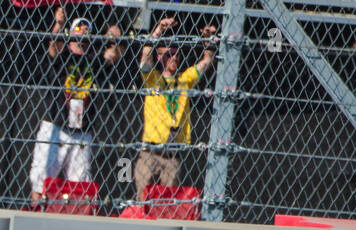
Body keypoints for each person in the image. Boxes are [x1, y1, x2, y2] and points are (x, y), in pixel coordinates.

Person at [26, 4, 127, 204]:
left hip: (82, 129)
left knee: (80, 185)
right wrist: (59, 23)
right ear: (70, 34)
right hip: (56, 124)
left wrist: (116, 37)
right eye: (78, 30)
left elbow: (114, 55)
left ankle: (75, 218)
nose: (82, 34)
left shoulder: (94, 59)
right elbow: (53, 46)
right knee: (41, 180)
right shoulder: (62, 56)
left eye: (86, 31)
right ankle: (36, 213)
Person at [133, 18, 218, 202]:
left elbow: (207, 61)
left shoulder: (185, 79)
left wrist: (209, 40)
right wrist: (158, 30)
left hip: (172, 155)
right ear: (159, 57)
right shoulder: (153, 79)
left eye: (176, 54)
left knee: (165, 204)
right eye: (168, 54)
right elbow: (145, 57)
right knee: (142, 199)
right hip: (150, 151)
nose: (173, 57)